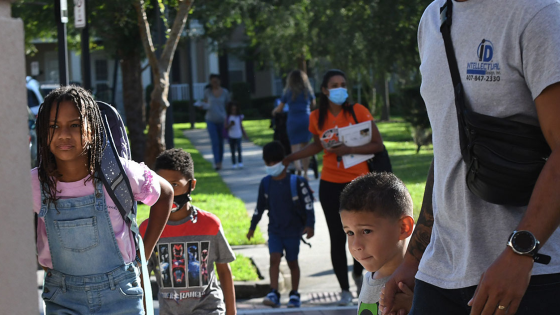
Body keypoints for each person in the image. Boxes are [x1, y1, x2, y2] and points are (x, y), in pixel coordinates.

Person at [381, 1, 560, 315]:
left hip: (531, 275)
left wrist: (520, 254)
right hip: (439, 275)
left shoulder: (538, 13)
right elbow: (449, 148)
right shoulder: (433, 18)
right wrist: (414, 260)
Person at [32, 86, 173, 314]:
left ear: (93, 129)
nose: (64, 134)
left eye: (75, 125)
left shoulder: (117, 173)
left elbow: (165, 193)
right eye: (53, 126)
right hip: (62, 297)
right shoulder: (36, 183)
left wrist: (142, 258)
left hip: (121, 295)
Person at [283, 69, 386, 305]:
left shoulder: (358, 111)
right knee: (338, 237)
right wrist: (291, 157)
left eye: (343, 84)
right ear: (324, 90)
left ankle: (360, 274)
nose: (339, 88)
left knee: (365, 235)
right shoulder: (317, 116)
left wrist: (348, 149)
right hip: (330, 185)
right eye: (334, 85)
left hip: (361, 185)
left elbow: (377, 144)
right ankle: (344, 290)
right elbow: (316, 145)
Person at [141, 148, 237, 315]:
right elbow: (142, 278)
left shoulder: (210, 224)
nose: (168, 191)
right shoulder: (147, 229)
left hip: (209, 309)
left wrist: (231, 312)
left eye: (175, 185)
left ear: (191, 185)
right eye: (162, 184)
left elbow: (224, 269)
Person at [247, 141, 315, 308]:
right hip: (275, 230)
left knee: (293, 262)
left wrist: (310, 224)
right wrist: (252, 226)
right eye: (267, 163)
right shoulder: (266, 183)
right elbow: (259, 207)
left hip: (293, 231)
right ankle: (274, 291)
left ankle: (294, 293)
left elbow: (308, 205)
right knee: (274, 258)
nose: (271, 166)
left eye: (273, 162)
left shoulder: (297, 182)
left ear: (284, 161)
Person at [339, 172, 415, 315]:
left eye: (366, 231)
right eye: (350, 233)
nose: (356, 245)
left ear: (403, 227)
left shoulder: (420, 283)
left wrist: (417, 308)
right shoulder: (369, 278)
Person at [273, 70, 316, 179]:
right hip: (306, 119)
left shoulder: (288, 91)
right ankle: (306, 172)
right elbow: (313, 104)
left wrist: (274, 112)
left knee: (294, 147)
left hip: (293, 120)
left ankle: (298, 169)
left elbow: (280, 108)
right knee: (306, 148)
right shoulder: (307, 90)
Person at [203, 74, 230, 170]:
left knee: (221, 142)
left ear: (219, 81)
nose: (215, 83)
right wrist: (201, 106)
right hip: (210, 120)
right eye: (213, 81)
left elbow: (228, 106)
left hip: (222, 120)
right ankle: (217, 163)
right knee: (215, 142)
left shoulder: (225, 92)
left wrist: (228, 120)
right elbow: (205, 103)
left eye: (216, 81)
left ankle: (220, 161)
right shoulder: (207, 92)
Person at [225, 102, 249, 169]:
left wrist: (245, 135)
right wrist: (230, 125)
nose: (234, 111)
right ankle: (234, 163)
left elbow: (241, 126)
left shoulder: (240, 116)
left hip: (238, 135)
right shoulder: (228, 117)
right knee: (232, 150)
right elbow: (225, 127)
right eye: (232, 109)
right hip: (231, 135)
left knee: (239, 149)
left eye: (235, 109)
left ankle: (240, 162)